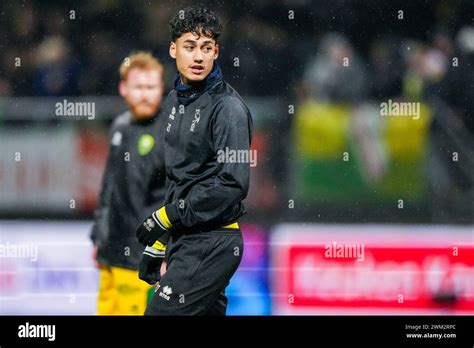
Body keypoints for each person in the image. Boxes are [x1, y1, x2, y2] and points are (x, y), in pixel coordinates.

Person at [136, 6, 253, 315]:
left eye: (206, 48)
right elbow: (178, 178)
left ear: (216, 52)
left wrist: (169, 216)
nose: (198, 56)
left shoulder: (229, 109)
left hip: (213, 240)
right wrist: (162, 240)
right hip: (185, 240)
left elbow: (233, 184)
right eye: (190, 47)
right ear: (173, 49)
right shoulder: (175, 101)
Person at [90, 52, 167, 315]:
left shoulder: (171, 132)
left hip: (141, 259)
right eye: (138, 87)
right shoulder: (119, 127)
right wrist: (99, 236)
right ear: (123, 88)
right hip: (110, 253)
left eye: (151, 87)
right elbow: (109, 187)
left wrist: (166, 251)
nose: (145, 94)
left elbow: (176, 198)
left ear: (161, 88)